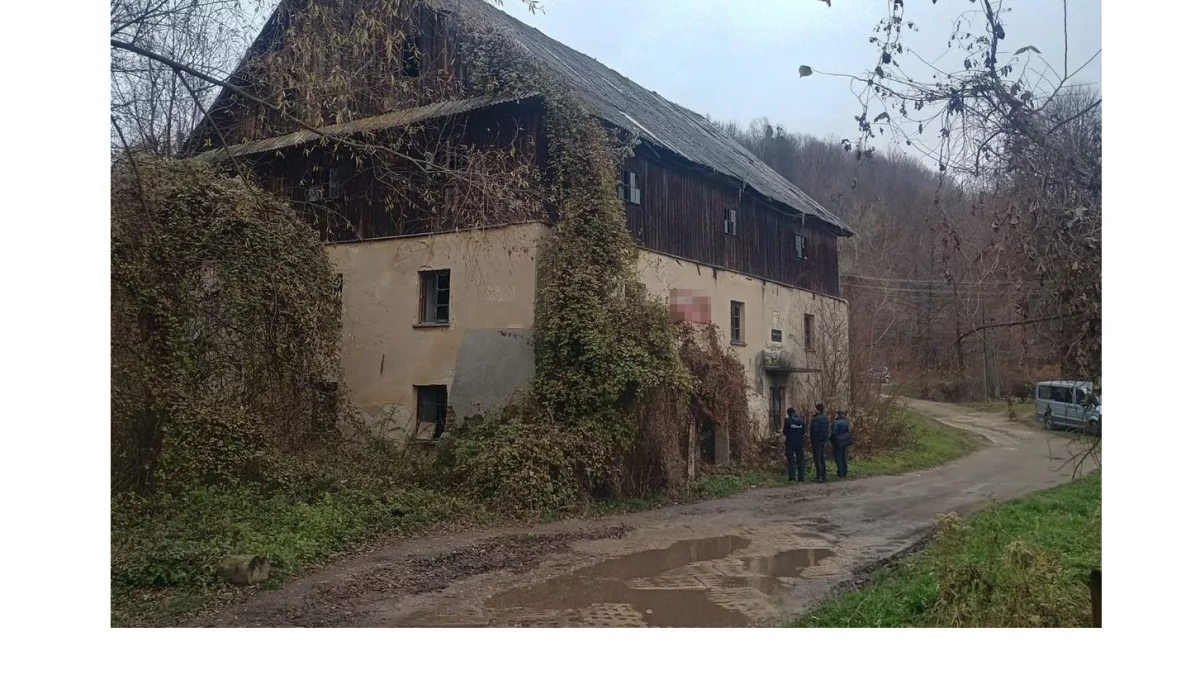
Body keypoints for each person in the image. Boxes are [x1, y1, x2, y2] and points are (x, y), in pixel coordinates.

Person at [782, 407, 807, 482]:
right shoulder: (801, 420)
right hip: (800, 443)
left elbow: (785, 432)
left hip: (790, 443)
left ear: (788, 413)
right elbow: (803, 431)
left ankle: (792, 477)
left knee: (791, 460)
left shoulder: (788, 421)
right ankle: (801, 477)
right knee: (800, 460)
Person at [810, 403, 830, 482]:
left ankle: (819, 475)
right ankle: (824, 475)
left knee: (817, 457)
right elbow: (827, 429)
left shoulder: (816, 419)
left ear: (817, 409)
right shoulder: (825, 418)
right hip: (823, 439)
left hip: (817, 440)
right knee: (822, 457)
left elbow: (814, 430)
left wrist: (812, 438)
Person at [831, 410, 853, 478]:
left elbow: (834, 432)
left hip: (837, 442)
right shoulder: (845, 422)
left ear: (837, 415)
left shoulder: (836, 422)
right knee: (843, 457)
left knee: (838, 458)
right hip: (844, 441)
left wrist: (831, 439)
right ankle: (845, 472)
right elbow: (847, 430)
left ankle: (840, 472)